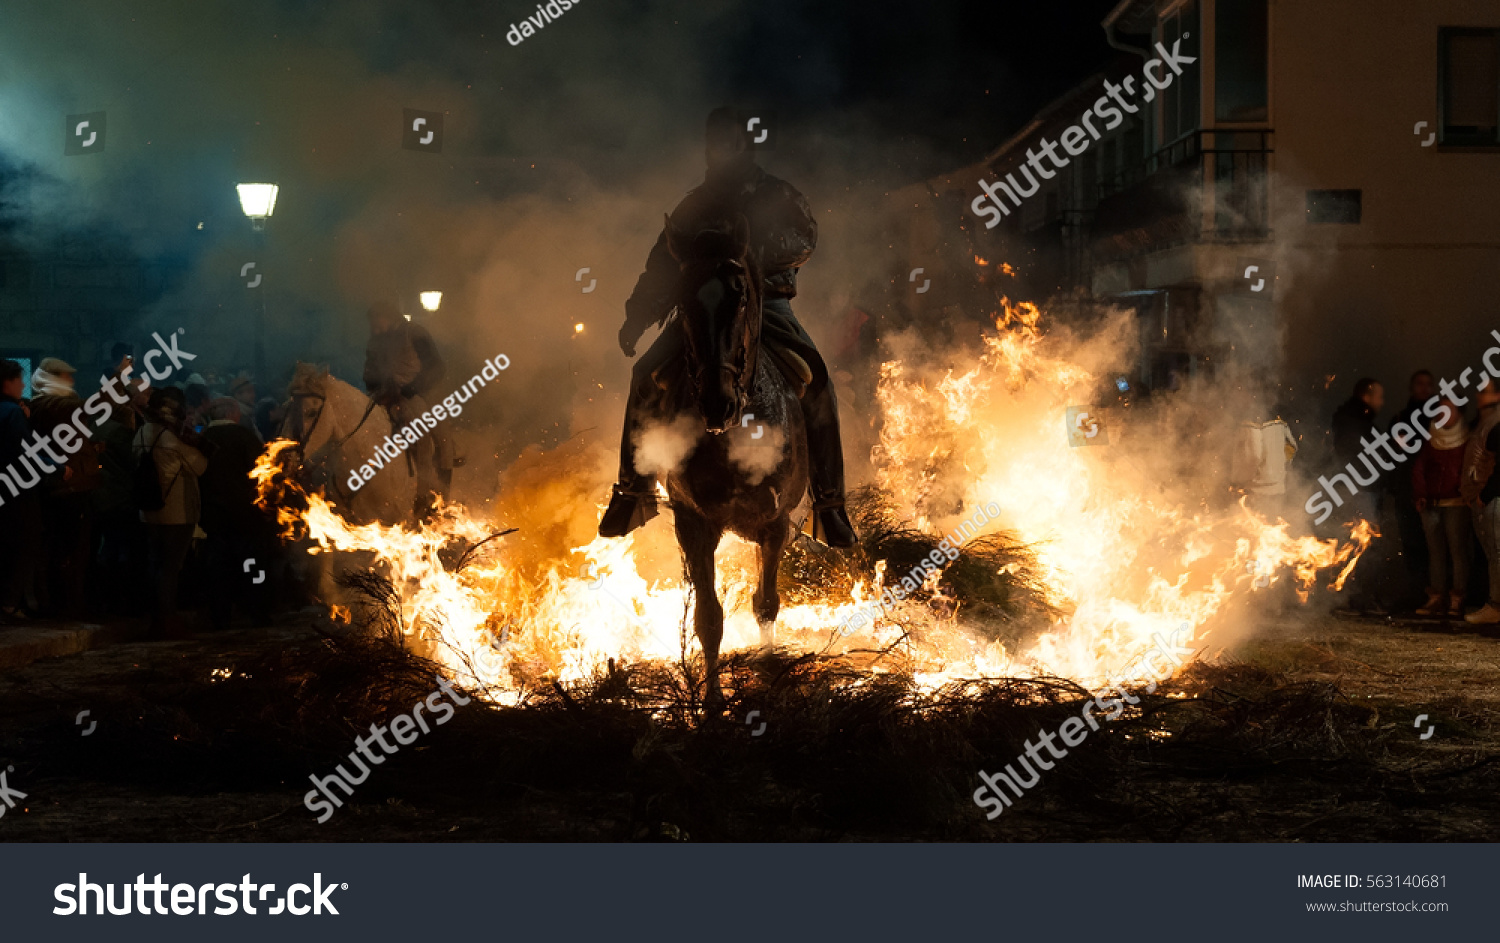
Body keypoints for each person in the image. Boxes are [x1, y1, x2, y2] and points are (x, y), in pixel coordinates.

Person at [600, 106, 856, 547]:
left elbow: (804, 239)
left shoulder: (777, 196)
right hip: (701, 312)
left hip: (767, 306)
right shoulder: (693, 206)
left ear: (746, 144)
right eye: (714, 142)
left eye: (730, 142)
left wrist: (751, 249)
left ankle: (829, 505)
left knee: (818, 383)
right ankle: (631, 491)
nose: (721, 150)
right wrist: (637, 315)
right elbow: (662, 264)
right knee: (644, 375)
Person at [133, 386, 209, 638]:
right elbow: (200, 466)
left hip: (148, 511)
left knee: (155, 564)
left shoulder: (142, 432)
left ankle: (155, 617)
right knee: (171, 567)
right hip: (176, 513)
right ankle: (167, 619)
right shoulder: (171, 439)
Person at [27, 357, 100, 617]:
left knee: (66, 550)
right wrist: (119, 379)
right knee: (68, 551)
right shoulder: (52, 404)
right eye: (66, 376)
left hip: (66, 486)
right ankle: (66, 606)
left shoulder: (46, 405)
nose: (71, 381)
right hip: (67, 489)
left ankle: (66, 603)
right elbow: (93, 407)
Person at [363, 301, 451, 516]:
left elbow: (437, 367)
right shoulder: (375, 342)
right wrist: (378, 388)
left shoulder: (414, 333)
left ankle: (428, 497)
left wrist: (412, 388)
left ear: (388, 316)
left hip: (415, 394)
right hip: (384, 397)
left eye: (377, 319)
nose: (374, 325)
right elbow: (369, 373)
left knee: (433, 438)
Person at [199, 397, 272, 629]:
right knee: (252, 566)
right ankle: (258, 611)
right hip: (246, 517)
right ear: (233, 414)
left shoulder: (201, 440)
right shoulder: (245, 437)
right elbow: (263, 474)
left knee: (218, 569)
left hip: (213, 516)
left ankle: (220, 617)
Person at [89, 381, 145, 618]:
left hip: (100, 497)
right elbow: (133, 463)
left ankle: (105, 601)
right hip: (119, 497)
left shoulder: (94, 427)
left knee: (107, 549)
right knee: (123, 551)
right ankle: (121, 603)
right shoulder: (119, 432)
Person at [1410, 394, 1469, 617]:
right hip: (1432, 504)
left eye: (1449, 410)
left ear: (1459, 413)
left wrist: (1467, 492)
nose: (1443, 415)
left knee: (1457, 551)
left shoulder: (1467, 438)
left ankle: (1457, 599)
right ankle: (1437, 597)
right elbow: (1419, 468)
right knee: (1436, 552)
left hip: (1457, 503)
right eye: (1440, 410)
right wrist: (1421, 494)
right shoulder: (1430, 437)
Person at [0, 359, 43, 622]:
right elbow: (27, 450)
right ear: (8, 381)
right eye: (19, 380)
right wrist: (57, 469)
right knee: (25, 543)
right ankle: (8, 603)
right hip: (17, 488)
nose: (23, 385)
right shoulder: (12, 412)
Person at [1390, 370, 1436, 607]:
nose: (1424, 389)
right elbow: (1391, 456)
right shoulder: (1400, 418)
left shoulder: (1438, 417)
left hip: (1432, 492)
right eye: (1420, 384)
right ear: (1412, 387)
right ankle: (1417, 592)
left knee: (1435, 546)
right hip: (1405, 490)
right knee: (1411, 544)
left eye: (1429, 384)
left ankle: (1437, 593)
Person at [1463, 384, 1500, 624]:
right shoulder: (1486, 422)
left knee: (1497, 553)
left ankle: (1495, 606)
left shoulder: (1497, 423)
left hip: (1493, 498)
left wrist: (1485, 494)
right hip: (1484, 496)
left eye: (1485, 391)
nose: (1478, 395)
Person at [1231, 400, 1297, 520]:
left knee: (1252, 527)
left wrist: (1239, 481)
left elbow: (1254, 456)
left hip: (1256, 492)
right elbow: (1292, 447)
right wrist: (1280, 467)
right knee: (1274, 526)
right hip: (1278, 489)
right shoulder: (1281, 426)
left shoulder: (1249, 428)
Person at [228, 372, 263, 441]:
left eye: (253, 391)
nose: (253, 395)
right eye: (249, 392)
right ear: (237, 395)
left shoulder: (247, 414)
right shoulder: (238, 416)